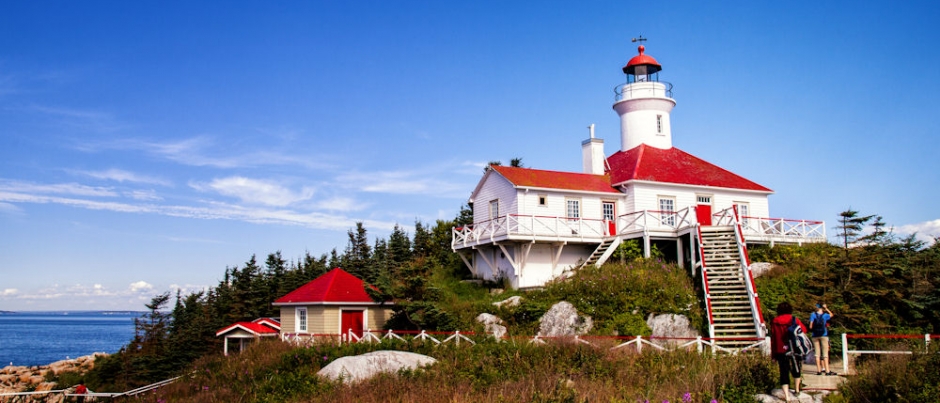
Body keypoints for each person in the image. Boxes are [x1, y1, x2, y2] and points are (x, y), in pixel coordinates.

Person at [771, 302, 807, 402]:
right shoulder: (794, 319)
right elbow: (804, 330)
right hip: (794, 348)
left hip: (780, 349)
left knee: (783, 371)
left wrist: (773, 354)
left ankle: (786, 396)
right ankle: (796, 389)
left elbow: (773, 338)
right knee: (796, 368)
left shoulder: (775, 321)